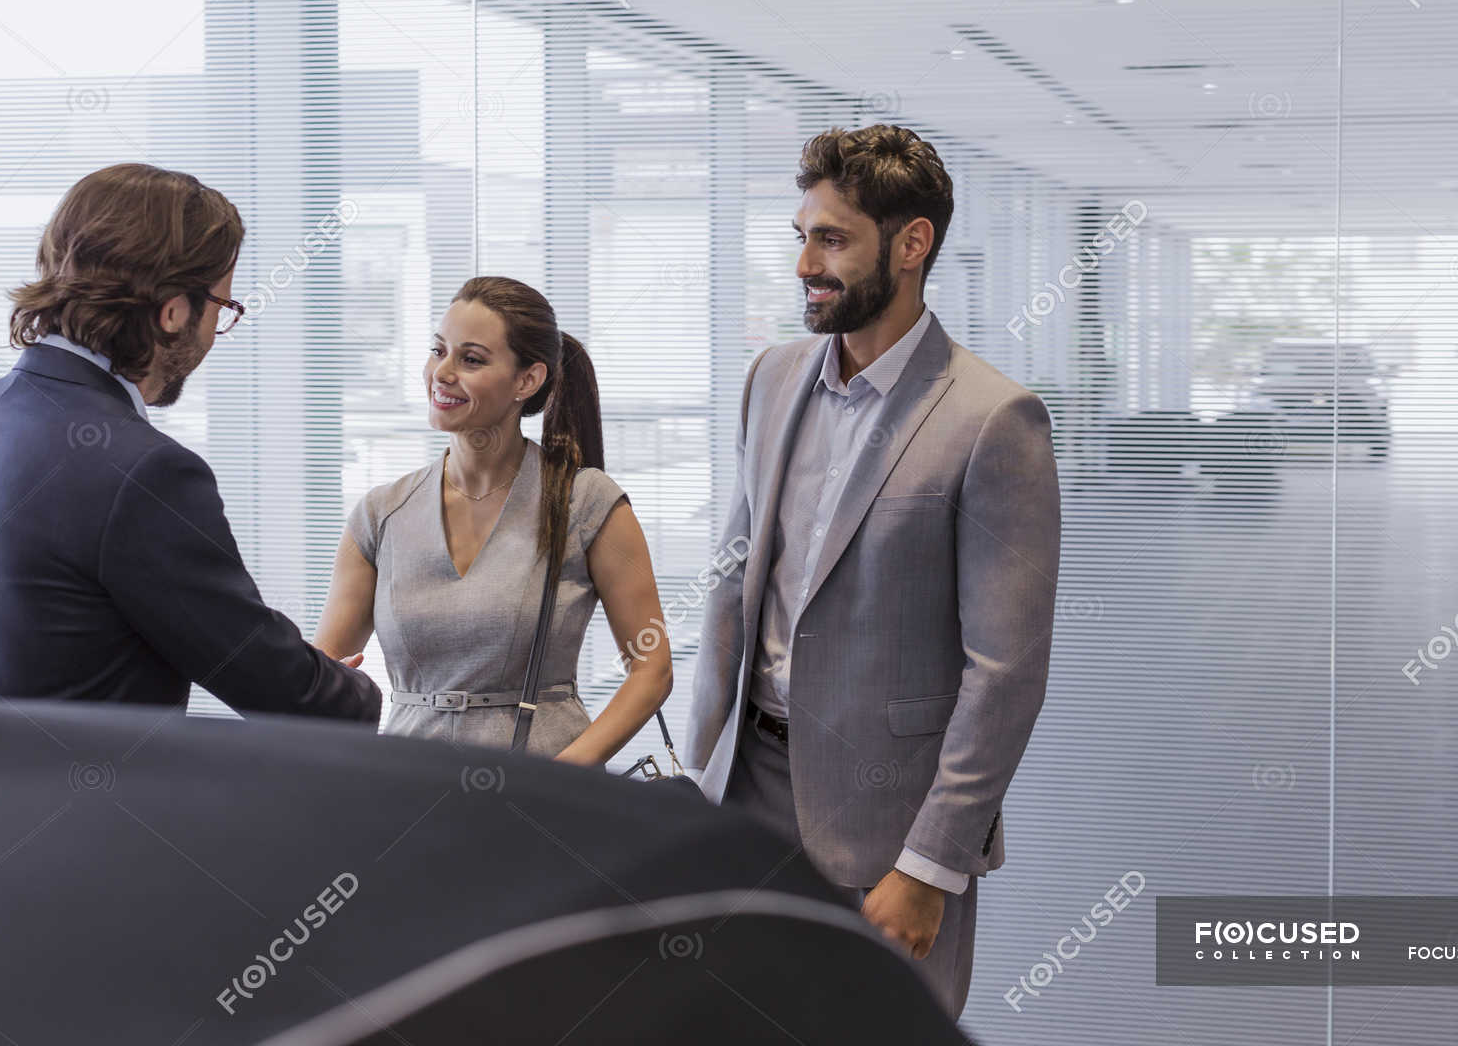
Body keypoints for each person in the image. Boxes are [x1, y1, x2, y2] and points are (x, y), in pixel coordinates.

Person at [683, 125, 1060, 1016]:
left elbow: (1005, 674)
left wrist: (931, 864)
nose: (806, 263)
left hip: (887, 828)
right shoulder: (770, 379)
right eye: (802, 235)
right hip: (745, 794)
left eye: (833, 239)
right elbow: (737, 584)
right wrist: (704, 773)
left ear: (912, 244)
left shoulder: (992, 419)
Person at [0, 163, 380, 723]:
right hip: (87, 806)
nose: (218, 330)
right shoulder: (143, 472)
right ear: (174, 311)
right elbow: (280, 690)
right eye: (223, 306)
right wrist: (353, 689)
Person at [315, 277, 673, 761]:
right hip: (409, 794)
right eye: (438, 350)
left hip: (545, 799)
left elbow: (652, 670)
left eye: (471, 359)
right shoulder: (381, 514)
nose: (442, 372)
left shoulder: (585, 503)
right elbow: (321, 673)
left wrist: (564, 775)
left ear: (526, 381)